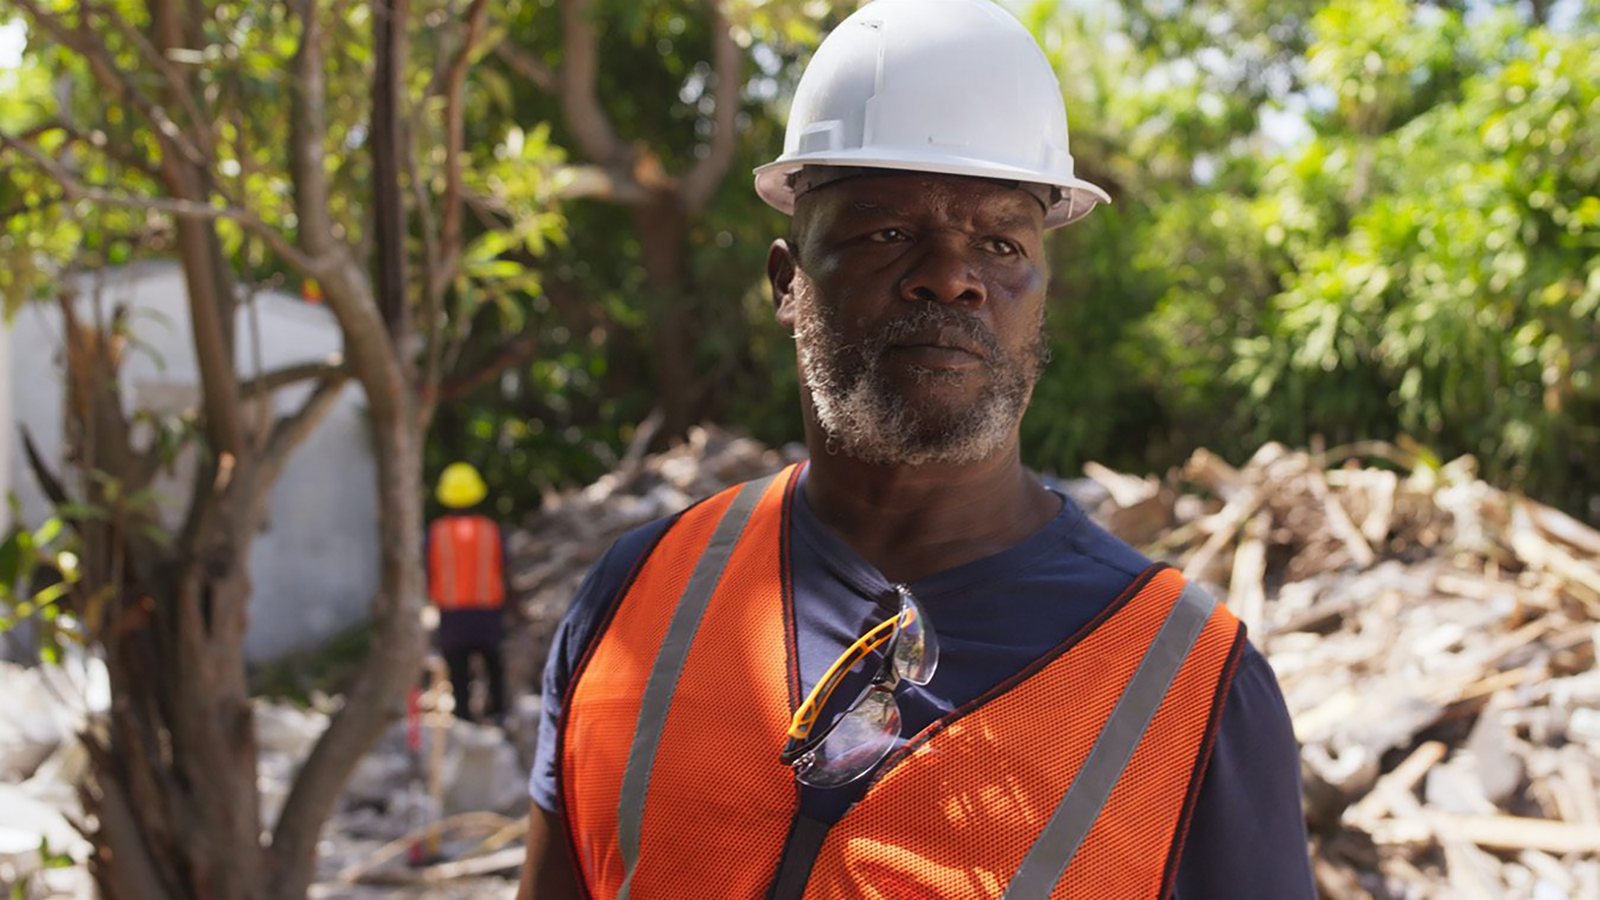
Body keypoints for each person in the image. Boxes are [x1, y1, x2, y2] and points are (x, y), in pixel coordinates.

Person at [518, 1, 1314, 896]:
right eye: (887, 233)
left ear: (1040, 295)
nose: (951, 275)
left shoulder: (1193, 688)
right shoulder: (637, 600)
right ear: (788, 283)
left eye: (1001, 242)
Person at [427, 462, 510, 724]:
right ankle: (497, 716)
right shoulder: (491, 530)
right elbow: (505, 569)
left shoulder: (436, 532)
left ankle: (464, 720)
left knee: (459, 675)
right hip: (487, 611)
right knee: (494, 668)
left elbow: (428, 571)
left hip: (452, 613)